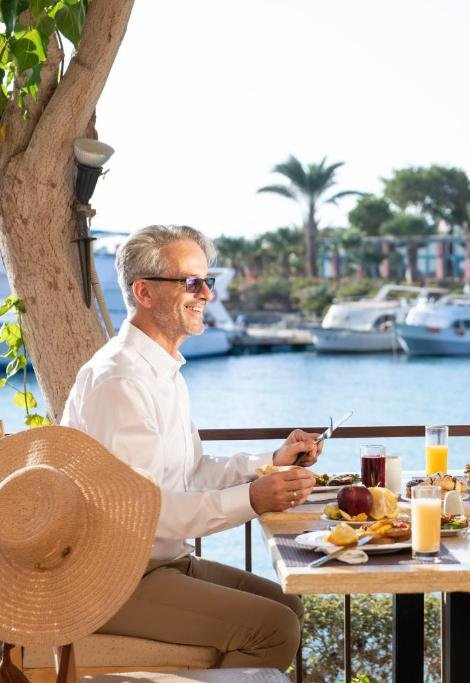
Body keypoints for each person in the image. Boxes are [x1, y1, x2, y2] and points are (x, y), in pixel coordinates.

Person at [61, 224, 321, 670]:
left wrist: (271, 463)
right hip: (112, 579)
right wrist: (252, 499)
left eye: (207, 281)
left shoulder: (161, 371)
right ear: (144, 292)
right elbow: (143, 512)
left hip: (159, 563)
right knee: (274, 627)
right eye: (191, 282)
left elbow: (192, 471)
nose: (206, 294)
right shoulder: (120, 380)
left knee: (288, 605)